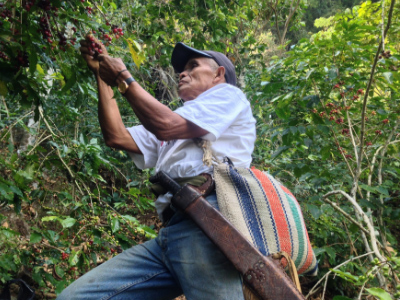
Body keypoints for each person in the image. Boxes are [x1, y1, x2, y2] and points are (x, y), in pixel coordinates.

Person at [57, 38, 256, 300]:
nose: (183, 72)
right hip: (171, 233)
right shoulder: (179, 119)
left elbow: (166, 125)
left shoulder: (229, 96)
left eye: (193, 65)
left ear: (219, 74)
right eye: (182, 69)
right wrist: (103, 76)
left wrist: (123, 77)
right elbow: (116, 136)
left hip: (208, 227)